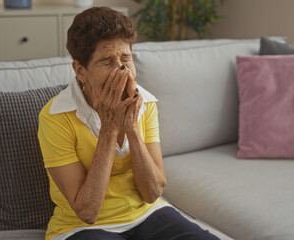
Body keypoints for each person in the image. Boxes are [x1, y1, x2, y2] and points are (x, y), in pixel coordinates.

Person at [38, 6, 220, 240]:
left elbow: (153, 193)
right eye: (106, 61)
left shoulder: (146, 103)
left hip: (148, 214)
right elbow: (87, 212)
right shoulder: (55, 116)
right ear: (80, 71)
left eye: (125, 58)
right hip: (82, 228)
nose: (121, 70)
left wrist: (132, 127)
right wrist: (110, 127)